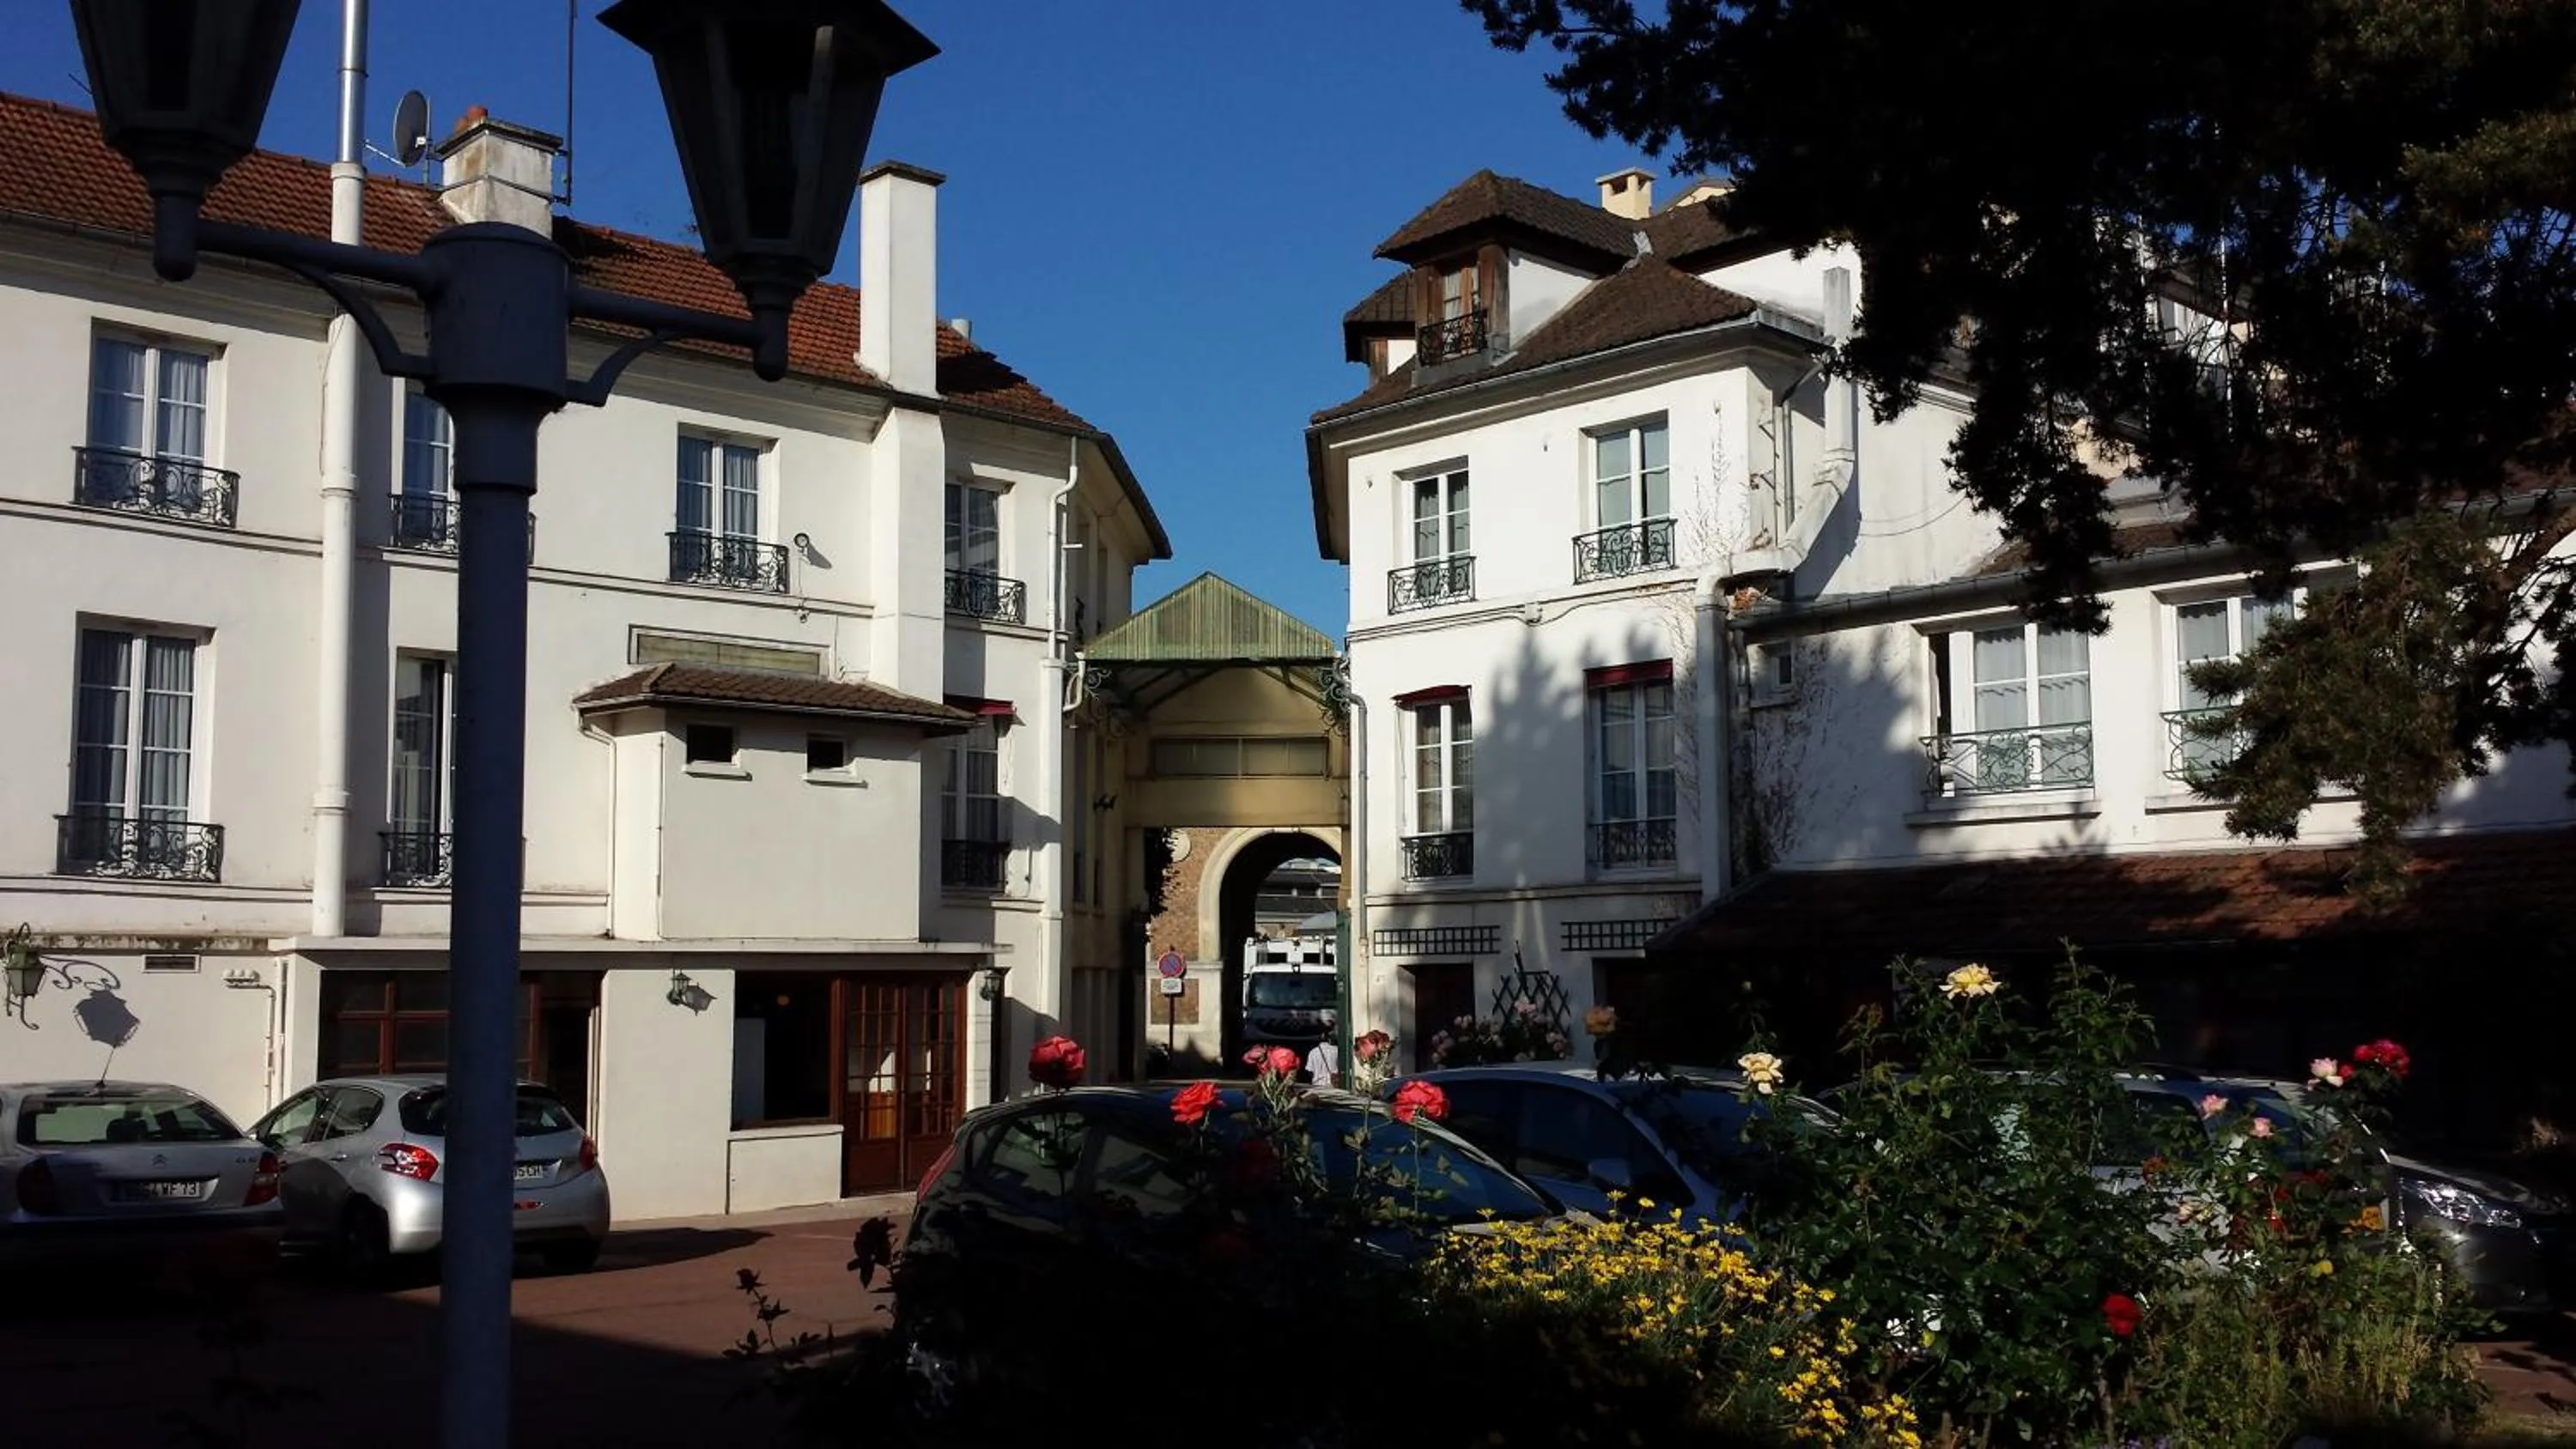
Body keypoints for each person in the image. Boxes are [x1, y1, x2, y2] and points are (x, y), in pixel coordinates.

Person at [1306, 1010, 1341, 1088]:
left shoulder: (1313, 1052)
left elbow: (1310, 1071)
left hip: (1317, 1086)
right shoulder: (1337, 1050)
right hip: (1333, 1086)